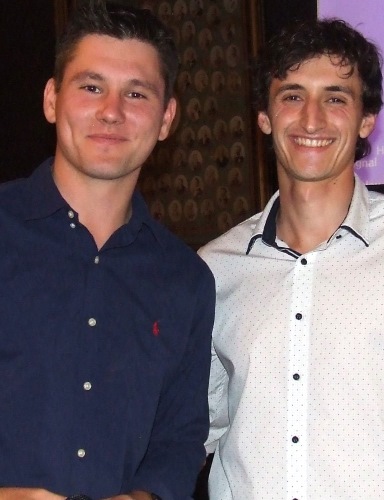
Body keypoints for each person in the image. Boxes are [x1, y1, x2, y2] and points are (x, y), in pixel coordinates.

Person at [198, 17, 384, 499]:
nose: (311, 119)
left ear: (367, 119)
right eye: (292, 95)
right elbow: (191, 430)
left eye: (335, 98)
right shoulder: (214, 267)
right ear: (264, 116)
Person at [0, 1, 215, 499]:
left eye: (136, 93)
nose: (111, 111)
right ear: (53, 99)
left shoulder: (185, 279)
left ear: (167, 118)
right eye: (91, 86)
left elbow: (179, 438)